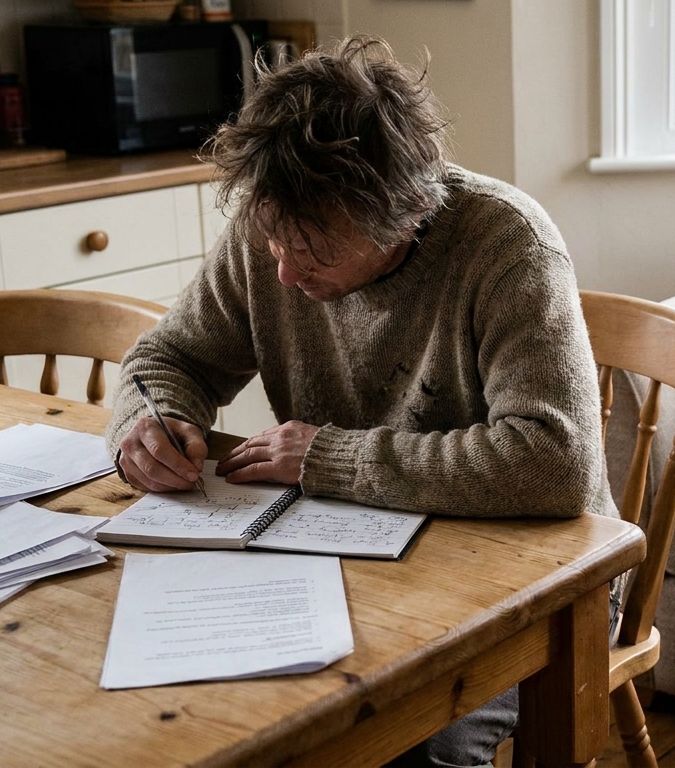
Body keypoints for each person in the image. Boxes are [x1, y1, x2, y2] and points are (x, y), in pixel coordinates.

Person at [106, 35, 616, 767]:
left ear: (404, 213)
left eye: (312, 252)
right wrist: (150, 420)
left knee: (404, 743)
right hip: (353, 558)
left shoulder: (510, 247)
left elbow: (554, 461)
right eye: (272, 239)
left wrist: (331, 457)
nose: (281, 272)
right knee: (223, 719)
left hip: (540, 577)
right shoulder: (278, 221)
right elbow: (169, 357)